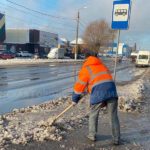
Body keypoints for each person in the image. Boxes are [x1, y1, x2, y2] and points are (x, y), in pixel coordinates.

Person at [72, 51, 120, 145]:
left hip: (99, 93)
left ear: (86, 59)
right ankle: (116, 139)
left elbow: (79, 86)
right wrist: (89, 90)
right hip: (112, 91)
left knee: (93, 114)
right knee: (113, 116)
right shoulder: (102, 65)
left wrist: (74, 99)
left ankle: (92, 135)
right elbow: (101, 80)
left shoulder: (86, 68)